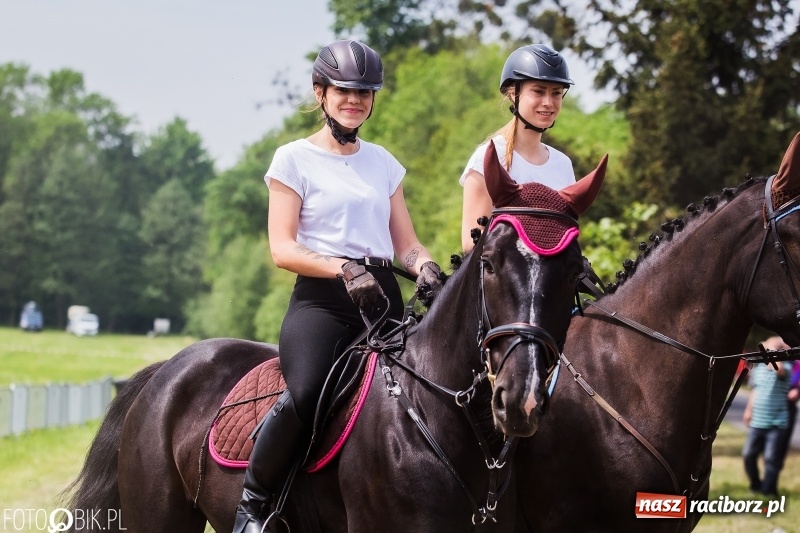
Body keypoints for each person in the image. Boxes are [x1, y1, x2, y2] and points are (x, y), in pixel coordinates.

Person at [231, 40, 445, 533]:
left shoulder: (384, 163)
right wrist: (344, 269)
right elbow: (282, 249)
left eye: (365, 93)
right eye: (345, 91)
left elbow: (405, 244)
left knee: (426, 389)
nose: (355, 100)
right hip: (323, 303)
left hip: (383, 298)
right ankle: (254, 504)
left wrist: (427, 267)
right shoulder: (293, 159)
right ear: (320, 92)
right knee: (306, 393)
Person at [460, 43, 577, 252]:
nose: (548, 102)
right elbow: (471, 243)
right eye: (538, 92)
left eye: (556, 93)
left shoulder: (563, 164)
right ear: (513, 94)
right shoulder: (489, 157)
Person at [742, 336, 793, 497]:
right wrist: (748, 411)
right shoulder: (758, 370)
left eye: (770, 351)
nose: (765, 354)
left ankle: (768, 490)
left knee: (771, 458)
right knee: (748, 455)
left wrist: (775, 351)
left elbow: (780, 371)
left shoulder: (785, 368)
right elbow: (755, 391)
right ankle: (756, 484)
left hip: (777, 422)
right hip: (758, 421)